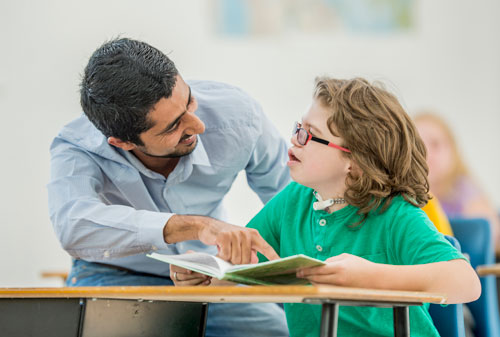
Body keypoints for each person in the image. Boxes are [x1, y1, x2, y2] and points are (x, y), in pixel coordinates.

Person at [172, 77, 481, 337]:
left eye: (310, 135)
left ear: (355, 163)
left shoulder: (395, 214)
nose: (295, 139)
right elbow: (249, 266)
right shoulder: (295, 199)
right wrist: (205, 273)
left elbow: (465, 283)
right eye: (298, 128)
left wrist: (370, 276)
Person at [47, 38, 290, 337]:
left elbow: (290, 198)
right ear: (123, 143)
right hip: (116, 276)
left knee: (279, 331)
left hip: (210, 277)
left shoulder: (239, 116)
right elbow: (73, 225)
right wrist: (194, 227)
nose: (198, 125)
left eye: (188, 101)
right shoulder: (78, 147)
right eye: (173, 126)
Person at [414, 112, 500, 253]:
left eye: (435, 144)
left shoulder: (466, 191)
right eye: (418, 146)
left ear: (453, 150)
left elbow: (490, 236)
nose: (426, 153)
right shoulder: (404, 196)